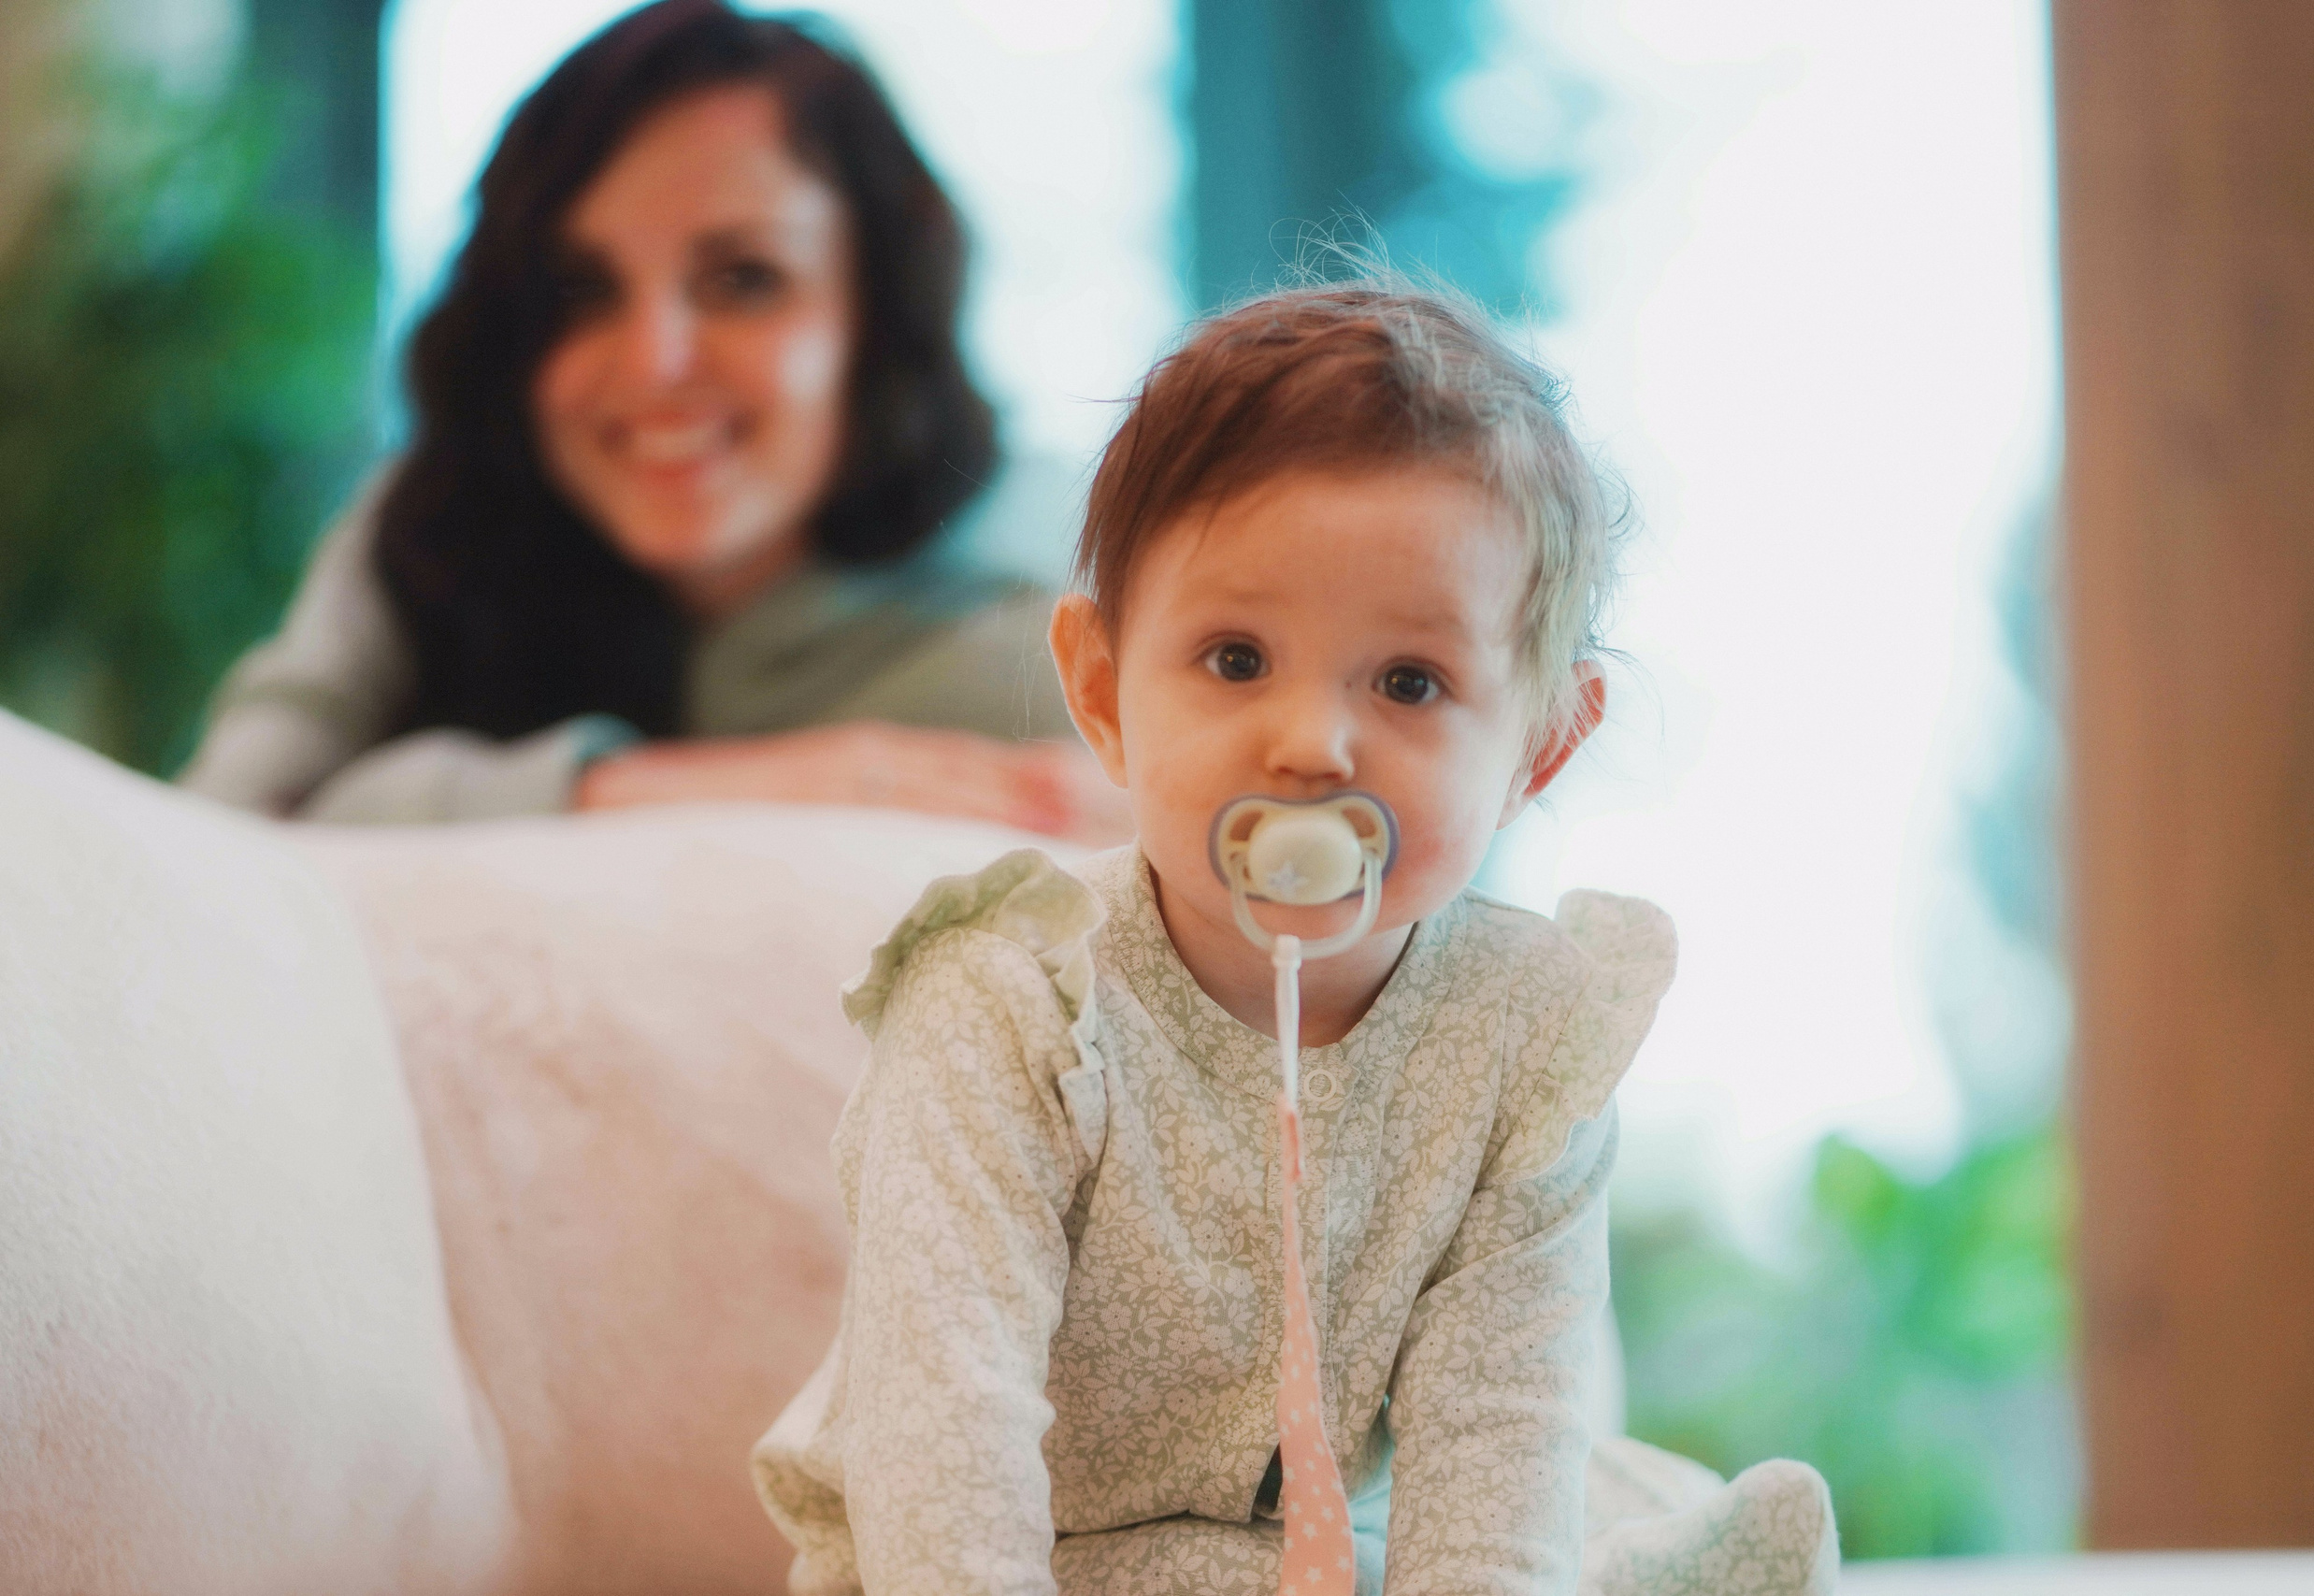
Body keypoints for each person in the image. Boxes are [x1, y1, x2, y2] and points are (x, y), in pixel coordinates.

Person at [750, 282, 1838, 1595]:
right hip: (1031, 1549)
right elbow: (945, 1426)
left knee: (1583, 1494)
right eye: (1235, 659)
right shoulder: (1011, 998)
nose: (1312, 745)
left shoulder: (1528, 1044)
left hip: (1326, 1544)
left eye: (1408, 682)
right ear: (1102, 690)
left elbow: (1496, 1439)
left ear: (1539, 748)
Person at [179, 0, 1118, 841]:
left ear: (876, 319)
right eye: (582, 289)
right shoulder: (433, 527)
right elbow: (222, 834)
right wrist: (634, 789)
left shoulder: (1064, 608)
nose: (652, 363)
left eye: (743, 279)